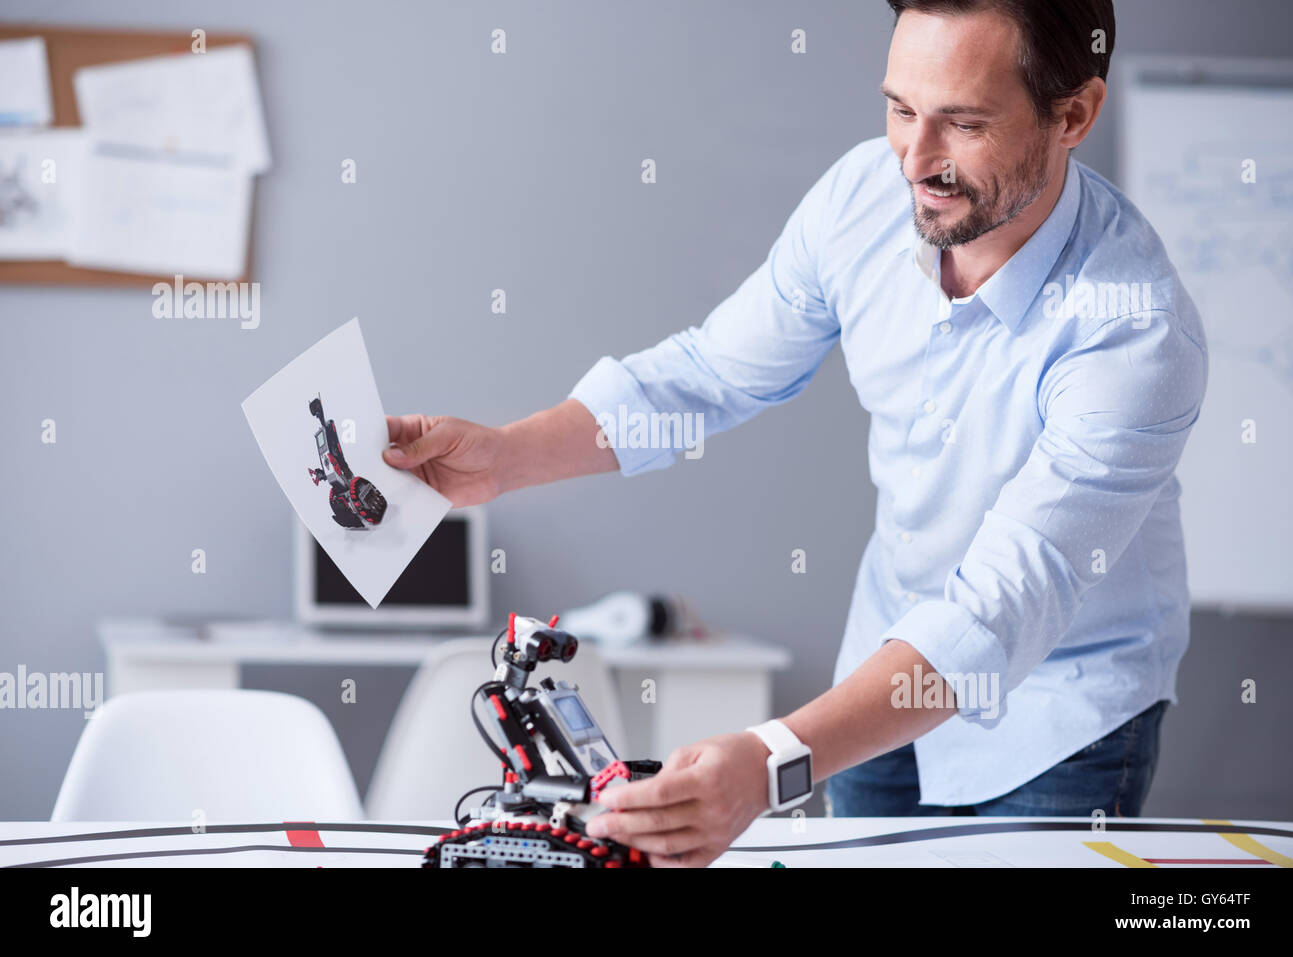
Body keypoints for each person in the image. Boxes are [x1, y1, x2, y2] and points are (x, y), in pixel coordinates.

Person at [384, 0, 1206, 867]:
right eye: (899, 109)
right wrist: (504, 458)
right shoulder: (864, 199)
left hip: (1056, 720)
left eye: (962, 123)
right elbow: (710, 374)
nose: (916, 160)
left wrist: (772, 759)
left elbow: (998, 612)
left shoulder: (1135, 333)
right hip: (878, 679)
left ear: (1073, 113)